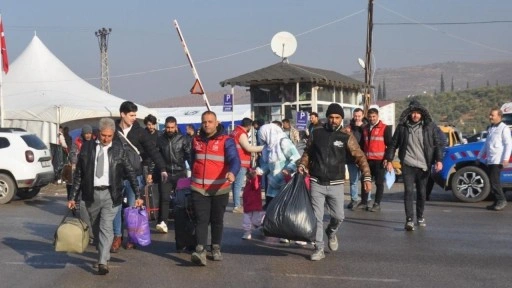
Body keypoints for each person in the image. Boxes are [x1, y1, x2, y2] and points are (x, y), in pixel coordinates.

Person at [67, 118, 142, 275]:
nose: (106, 139)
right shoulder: (87, 148)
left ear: (113, 134)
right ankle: (103, 254)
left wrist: (138, 193)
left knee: (106, 227)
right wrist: (72, 197)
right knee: (94, 228)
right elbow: (80, 174)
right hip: (91, 195)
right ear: (98, 133)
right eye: (103, 135)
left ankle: (102, 261)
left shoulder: (118, 149)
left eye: (109, 136)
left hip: (111, 194)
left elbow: (130, 172)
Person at [298, 103, 372, 261]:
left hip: (336, 184)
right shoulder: (316, 133)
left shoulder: (346, 136)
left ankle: (331, 232)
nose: (334, 120)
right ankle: (319, 248)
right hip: (316, 182)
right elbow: (308, 152)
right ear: (327, 117)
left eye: (337, 118)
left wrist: (366, 176)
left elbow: (359, 156)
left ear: (342, 119)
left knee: (339, 216)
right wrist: (303, 165)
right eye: (331, 117)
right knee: (316, 218)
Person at [111, 101, 168, 252]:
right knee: (115, 207)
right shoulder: (113, 130)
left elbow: (152, 150)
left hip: (134, 176)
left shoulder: (139, 132)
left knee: (132, 208)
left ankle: (131, 237)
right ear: (122, 114)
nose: (134, 118)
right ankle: (117, 236)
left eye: (135, 115)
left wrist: (162, 167)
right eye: (131, 115)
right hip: (116, 176)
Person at [189, 111, 240, 266]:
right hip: (199, 188)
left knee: (217, 220)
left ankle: (216, 247)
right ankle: (200, 250)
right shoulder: (195, 140)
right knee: (201, 219)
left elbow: (234, 159)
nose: (207, 124)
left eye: (210, 121)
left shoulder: (226, 140)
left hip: (220, 188)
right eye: (204, 121)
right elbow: (193, 160)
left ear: (216, 123)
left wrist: (232, 172)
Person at [385, 100, 443, 231]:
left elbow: (437, 144)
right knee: (409, 191)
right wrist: (389, 160)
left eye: (418, 113)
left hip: (424, 165)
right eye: (413, 113)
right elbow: (393, 144)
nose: (415, 115)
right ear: (409, 113)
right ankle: (409, 219)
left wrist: (439, 160)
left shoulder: (429, 127)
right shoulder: (402, 127)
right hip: (408, 164)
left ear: (422, 114)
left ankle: (420, 216)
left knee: (422, 193)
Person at [256, 123, 301, 244]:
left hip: (285, 182)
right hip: (272, 184)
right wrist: (259, 171)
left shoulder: (283, 142)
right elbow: (266, 164)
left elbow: (296, 157)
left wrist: (289, 169)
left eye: (263, 136)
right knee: (273, 208)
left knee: (285, 209)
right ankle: (276, 229)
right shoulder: (268, 147)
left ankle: (287, 233)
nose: (263, 139)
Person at [154, 116, 191, 233]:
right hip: (166, 173)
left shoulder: (183, 139)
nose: (169, 129)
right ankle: (163, 222)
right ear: (165, 127)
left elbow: (189, 155)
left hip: (180, 173)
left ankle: (184, 221)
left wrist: (195, 169)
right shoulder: (160, 140)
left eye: (172, 127)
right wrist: (151, 172)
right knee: (164, 198)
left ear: (176, 127)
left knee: (182, 199)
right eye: (167, 127)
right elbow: (155, 156)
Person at [477, 107, 512, 211]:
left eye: (492, 115)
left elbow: (508, 144)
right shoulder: (491, 128)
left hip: (498, 160)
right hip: (491, 159)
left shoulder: (504, 128)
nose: (490, 117)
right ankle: (496, 201)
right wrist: (479, 156)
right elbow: (486, 144)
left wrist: (505, 159)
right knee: (492, 182)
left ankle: (502, 200)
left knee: (494, 181)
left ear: (499, 116)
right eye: (490, 115)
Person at [360, 108, 393, 212]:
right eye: (370, 117)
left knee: (379, 183)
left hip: (379, 161)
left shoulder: (385, 128)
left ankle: (377, 203)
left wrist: (388, 159)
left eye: (374, 116)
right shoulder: (364, 128)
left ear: (378, 116)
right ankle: (364, 202)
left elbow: (390, 145)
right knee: (365, 181)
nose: (372, 119)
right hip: (367, 160)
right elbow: (362, 145)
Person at [66, 124, 95, 240]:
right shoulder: (77, 142)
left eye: (89, 133)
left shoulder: (95, 143)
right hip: (80, 171)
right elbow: (73, 154)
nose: (88, 135)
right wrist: (75, 163)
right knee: (81, 198)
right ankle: (86, 229)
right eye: (86, 133)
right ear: (83, 133)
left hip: (91, 173)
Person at [230, 118, 264, 213]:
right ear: (249, 126)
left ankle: (236, 204)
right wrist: (263, 148)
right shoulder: (241, 133)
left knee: (235, 184)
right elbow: (248, 148)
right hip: (241, 162)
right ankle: (237, 206)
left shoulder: (234, 132)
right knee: (238, 184)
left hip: (234, 161)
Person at [345, 108, 367, 209]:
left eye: (359, 116)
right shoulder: (349, 127)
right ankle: (354, 199)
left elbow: (369, 137)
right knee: (353, 180)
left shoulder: (366, 126)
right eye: (355, 116)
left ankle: (367, 199)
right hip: (351, 158)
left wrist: (362, 127)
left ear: (362, 116)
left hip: (364, 158)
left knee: (365, 179)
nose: (357, 118)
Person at [241, 169, 265, 240]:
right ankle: (247, 232)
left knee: (256, 221)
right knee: (246, 221)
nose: (247, 178)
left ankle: (262, 225)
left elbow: (256, 185)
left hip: (255, 206)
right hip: (247, 206)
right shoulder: (248, 183)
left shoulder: (255, 182)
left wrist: (254, 176)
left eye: (248, 176)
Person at [426, 125, 448, 201]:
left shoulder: (434, 128)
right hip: (417, 158)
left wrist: (437, 157)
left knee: (428, 177)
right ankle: (423, 194)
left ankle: (425, 195)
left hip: (429, 158)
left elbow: (442, 142)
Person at [143, 114, 161, 184]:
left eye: (153, 124)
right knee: (148, 185)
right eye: (149, 125)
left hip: (158, 163)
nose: (151, 127)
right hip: (147, 163)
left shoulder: (160, 134)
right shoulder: (143, 135)